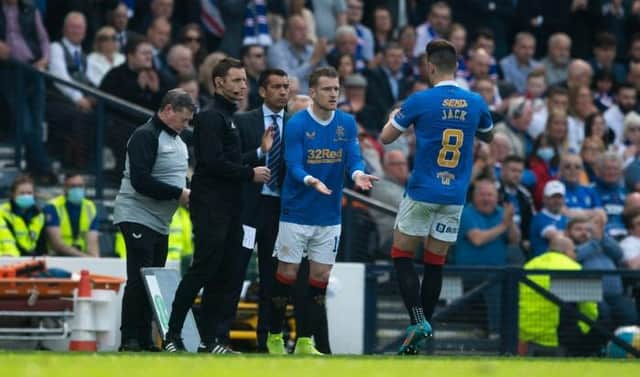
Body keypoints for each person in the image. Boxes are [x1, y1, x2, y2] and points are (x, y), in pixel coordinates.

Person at [378, 39, 494, 355]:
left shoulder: (420, 100)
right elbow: (488, 134)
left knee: (401, 255)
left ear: (430, 66)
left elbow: (386, 138)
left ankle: (418, 321)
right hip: (455, 194)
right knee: (435, 263)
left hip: (422, 190)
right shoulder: (476, 101)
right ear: (456, 67)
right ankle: (422, 331)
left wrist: (395, 115)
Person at [265, 66, 377, 355]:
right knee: (287, 274)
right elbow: (293, 163)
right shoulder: (298, 124)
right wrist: (309, 179)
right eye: (327, 89)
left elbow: (353, 158)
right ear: (313, 93)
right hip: (297, 211)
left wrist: (357, 175)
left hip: (329, 215)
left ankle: (305, 340)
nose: (333, 94)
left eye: (336, 89)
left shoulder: (347, 124)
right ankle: (274, 335)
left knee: (320, 278)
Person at [163, 58, 270, 354]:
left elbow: (229, 162)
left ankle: (209, 341)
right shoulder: (211, 117)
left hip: (232, 205)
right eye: (236, 80)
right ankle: (171, 334)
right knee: (203, 269)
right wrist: (250, 172)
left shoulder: (228, 118)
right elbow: (211, 162)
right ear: (219, 82)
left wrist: (258, 153)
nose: (242, 86)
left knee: (224, 273)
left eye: (244, 80)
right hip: (211, 205)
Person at [114, 89, 195, 352]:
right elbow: (140, 181)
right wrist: (179, 193)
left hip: (160, 220)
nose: (185, 126)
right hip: (137, 214)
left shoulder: (178, 141)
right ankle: (129, 339)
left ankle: (146, 338)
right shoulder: (146, 135)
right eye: (183, 119)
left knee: (151, 280)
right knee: (138, 278)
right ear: (168, 109)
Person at [235, 68, 290, 350]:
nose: (283, 91)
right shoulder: (243, 121)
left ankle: (267, 339)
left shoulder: (296, 124)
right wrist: (259, 152)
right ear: (263, 91)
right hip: (248, 207)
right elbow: (229, 162)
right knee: (236, 270)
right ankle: (218, 336)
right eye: (277, 86)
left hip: (279, 209)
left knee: (272, 277)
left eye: (286, 86)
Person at [518, 235, 600, 356]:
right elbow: (590, 309)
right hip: (558, 337)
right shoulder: (575, 268)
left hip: (526, 333)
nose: (576, 255)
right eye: (574, 250)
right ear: (567, 251)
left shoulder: (529, 265)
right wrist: (583, 328)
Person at [43, 173, 99, 257]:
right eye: (73, 186)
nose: (77, 189)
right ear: (65, 188)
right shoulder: (52, 207)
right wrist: (85, 257)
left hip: (82, 256)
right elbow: (57, 244)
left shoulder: (90, 207)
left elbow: (92, 242)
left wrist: (95, 261)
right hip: (57, 257)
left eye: (80, 186)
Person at [0, 174, 45, 256]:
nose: (26, 196)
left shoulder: (39, 215)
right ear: (13, 195)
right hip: (6, 258)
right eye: (22, 193)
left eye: (29, 193)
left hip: (30, 260)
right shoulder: (2, 213)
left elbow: (40, 244)